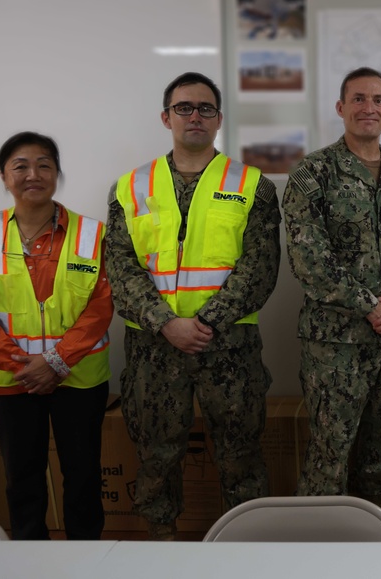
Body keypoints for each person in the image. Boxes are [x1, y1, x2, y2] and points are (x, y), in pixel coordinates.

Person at [104, 72, 280, 540]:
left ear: (219, 119)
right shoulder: (129, 187)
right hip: (152, 350)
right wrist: (167, 323)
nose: (195, 116)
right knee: (156, 457)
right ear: (166, 117)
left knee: (241, 455)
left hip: (230, 348)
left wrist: (203, 323)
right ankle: (163, 548)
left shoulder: (252, 185)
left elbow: (260, 269)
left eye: (205, 108)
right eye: (184, 108)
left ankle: (245, 551)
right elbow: (119, 268)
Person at [281, 67, 381, 508]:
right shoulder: (312, 174)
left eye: (378, 99)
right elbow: (309, 261)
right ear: (340, 108)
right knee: (329, 453)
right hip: (335, 344)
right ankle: (321, 555)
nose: (369, 107)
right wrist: (371, 307)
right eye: (358, 99)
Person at [0, 132, 112, 540]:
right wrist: (25, 368)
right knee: (22, 479)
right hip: (12, 382)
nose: (34, 174)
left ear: (57, 174)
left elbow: (100, 307)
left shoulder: (91, 234)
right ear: (4, 176)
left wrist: (56, 362)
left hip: (78, 379)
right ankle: (30, 558)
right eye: (21, 166)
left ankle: (85, 558)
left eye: (45, 164)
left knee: (82, 476)